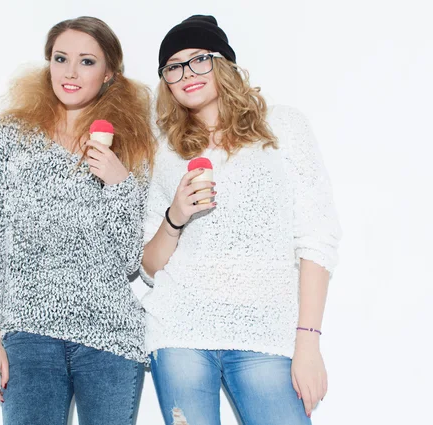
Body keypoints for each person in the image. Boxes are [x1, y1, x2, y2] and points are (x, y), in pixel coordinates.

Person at [140, 15, 342, 425]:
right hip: (178, 331)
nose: (187, 74)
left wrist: (308, 343)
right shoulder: (162, 150)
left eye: (199, 59)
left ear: (224, 64)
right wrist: (175, 217)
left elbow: (317, 236)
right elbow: (147, 266)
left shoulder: (282, 126)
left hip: (266, 333)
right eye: (173, 66)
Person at [0, 16, 156, 425]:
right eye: (60, 58)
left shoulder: (129, 144)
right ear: (48, 64)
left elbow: (127, 262)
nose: (70, 72)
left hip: (110, 337)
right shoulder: (12, 136)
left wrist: (120, 183)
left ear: (109, 75)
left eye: (87, 61)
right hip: (28, 334)